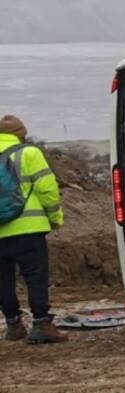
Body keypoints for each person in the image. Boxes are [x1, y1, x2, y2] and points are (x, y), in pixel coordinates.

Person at [0, 116, 68, 343]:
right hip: (29, 229)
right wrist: (55, 217)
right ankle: (41, 325)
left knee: (3, 279)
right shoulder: (28, 153)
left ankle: (13, 325)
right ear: (21, 134)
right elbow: (47, 189)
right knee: (35, 277)